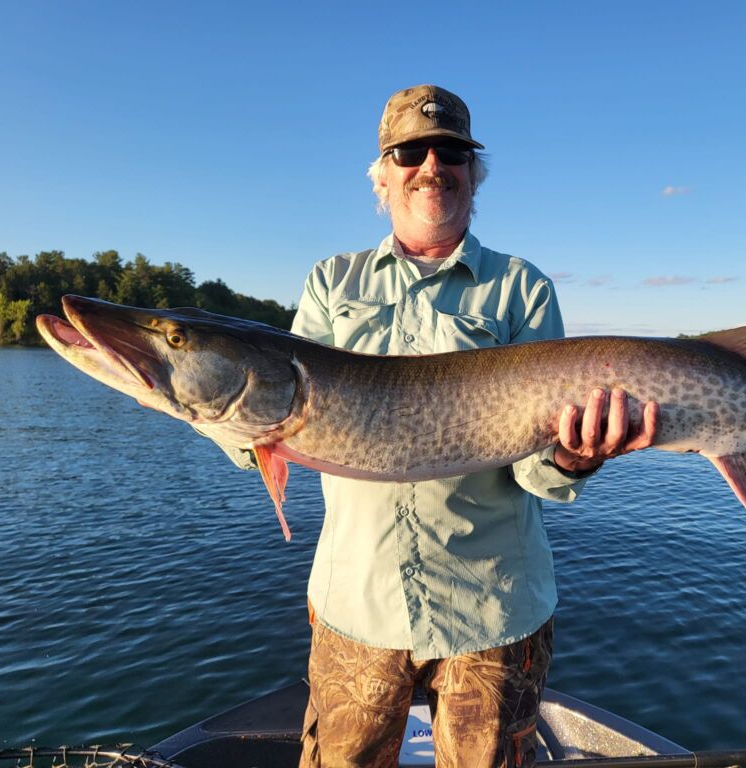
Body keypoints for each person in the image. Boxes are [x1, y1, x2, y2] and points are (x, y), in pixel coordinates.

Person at [270, 85, 657, 767]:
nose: (431, 164)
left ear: (473, 174)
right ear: (382, 176)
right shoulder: (332, 283)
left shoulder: (521, 288)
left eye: (450, 151)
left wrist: (573, 458)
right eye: (409, 150)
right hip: (357, 604)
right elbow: (275, 418)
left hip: (494, 609)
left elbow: (536, 470)